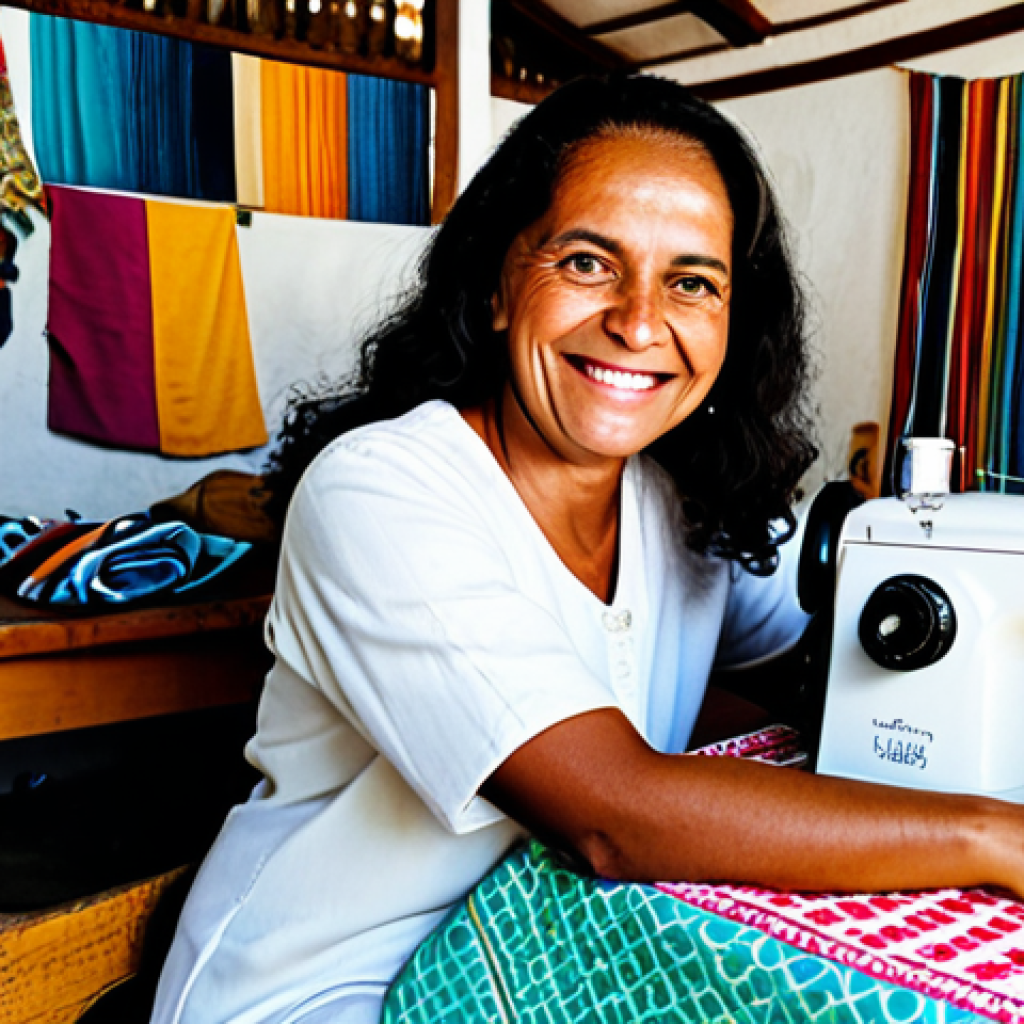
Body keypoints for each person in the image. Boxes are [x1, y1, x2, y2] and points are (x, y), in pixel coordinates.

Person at [151, 74, 1024, 1024]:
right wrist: (993, 835)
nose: (641, 321)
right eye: (587, 264)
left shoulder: (679, 505)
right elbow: (614, 816)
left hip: (548, 974)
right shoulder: (384, 489)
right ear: (494, 284)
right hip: (318, 996)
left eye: (692, 282)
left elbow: (824, 653)